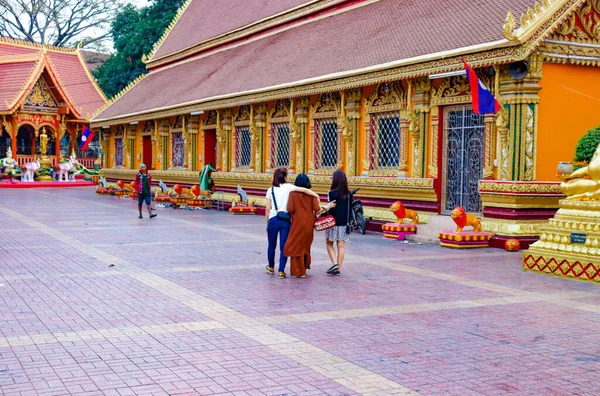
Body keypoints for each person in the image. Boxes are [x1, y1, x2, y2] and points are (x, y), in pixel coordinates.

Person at [265, 167, 319, 279]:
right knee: (284, 246)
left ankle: (271, 267)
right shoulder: (289, 188)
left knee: (271, 245)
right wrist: (316, 195)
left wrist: (267, 223)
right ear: (284, 176)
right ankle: (281, 271)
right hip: (285, 221)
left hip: (273, 220)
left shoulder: (270, 190)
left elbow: (267, 209)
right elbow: (304, 190)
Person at [284, 174, 336, 278]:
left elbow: (290, 209)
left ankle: (299, 271)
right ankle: (304, 268)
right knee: (305, 245)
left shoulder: (292, 194)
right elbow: (317, 209)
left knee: (295, 245)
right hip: (309, 223)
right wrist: (328, 206)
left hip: (297, 223)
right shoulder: (312, 195)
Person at [325, 170, 351, 276]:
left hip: (333, 222)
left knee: (329, 243)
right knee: (341, 245)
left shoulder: (331, 193)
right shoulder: (349, 194)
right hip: (344, 223)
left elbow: (330, 208)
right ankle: (338, 268)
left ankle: (335, 264)